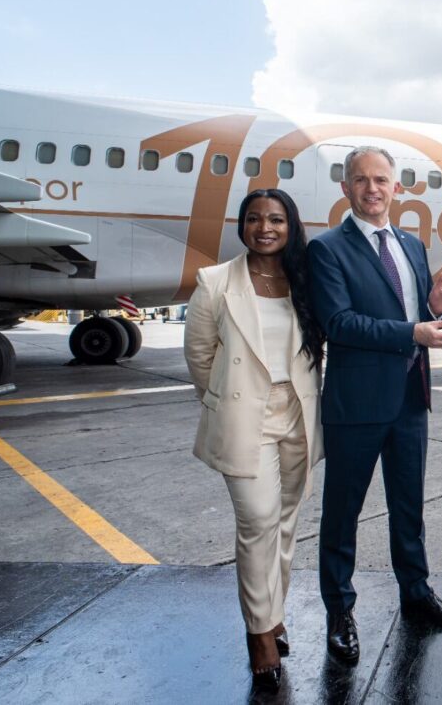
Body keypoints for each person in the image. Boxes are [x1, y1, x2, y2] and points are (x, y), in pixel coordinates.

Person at [307, 146, 442, 665]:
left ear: (396, 188)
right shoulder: (327, 250)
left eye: (381, 180)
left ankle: (416, 595)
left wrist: (434, 309)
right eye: (361, 180)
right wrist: (414, 330)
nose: (372, 189)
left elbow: (413, 310)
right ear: (346, 188)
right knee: (342, 514)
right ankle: (339, 610)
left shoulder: (412, 246)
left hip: (410, 400)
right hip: (356, 404)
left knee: (408, 508)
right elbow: (339, 323)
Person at [184, 188, 325, 692]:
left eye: (277, 219)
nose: (265, 227)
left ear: (291, 227)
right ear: (241, 225)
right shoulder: (216, 281)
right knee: (258, 519)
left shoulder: (305, 280)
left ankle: (275, 611)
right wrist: (229, 402)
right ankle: (259, 632)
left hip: (299, 414)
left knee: (286, 522)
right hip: (247, 417)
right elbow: (200, 356)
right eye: (255, 219)